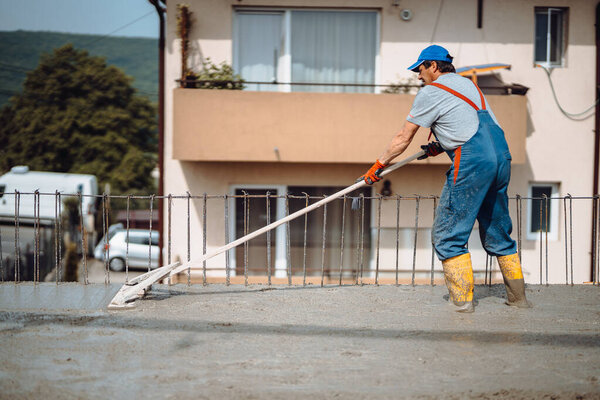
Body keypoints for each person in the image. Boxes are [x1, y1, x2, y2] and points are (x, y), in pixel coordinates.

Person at [361, 45, 531, 313]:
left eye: (420, 69)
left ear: (433, 66)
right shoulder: (469, 86)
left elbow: (403, 138)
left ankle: (463, 304)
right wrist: (440, 145)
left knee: (448, 234)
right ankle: (518, 299)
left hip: (473, 160)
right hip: (500, 156)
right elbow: (468, 123)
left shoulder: (431, 92)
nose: (418, 76)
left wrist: (379, 165)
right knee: (498, 230)